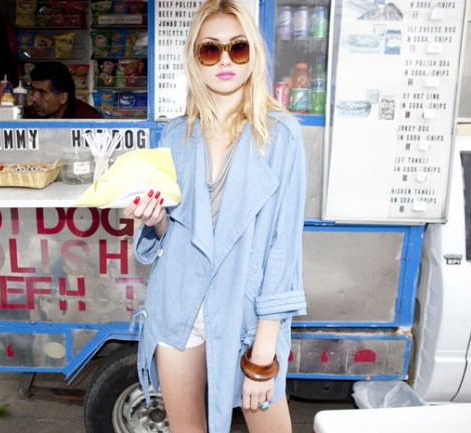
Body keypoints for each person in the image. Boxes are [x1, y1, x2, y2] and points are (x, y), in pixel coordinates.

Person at [123, 1, 307, 432]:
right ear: (195, 58)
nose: (225, 60)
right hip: (179, 306)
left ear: (253, 54)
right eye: (210, 50)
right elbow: (172, 233)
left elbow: (283, 249)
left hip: (246, 314)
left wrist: (263, 355)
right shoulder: (175, 133)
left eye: (237, 48)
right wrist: (154, 218)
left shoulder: (281, 136)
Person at [27, 61, 102, 119]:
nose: (33, 98)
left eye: (42, 92)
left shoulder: (89, 120)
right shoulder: (28, 116)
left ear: (63, 97)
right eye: (33, 91)